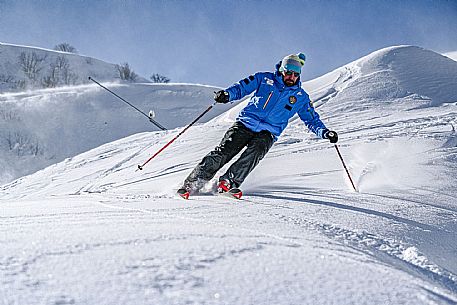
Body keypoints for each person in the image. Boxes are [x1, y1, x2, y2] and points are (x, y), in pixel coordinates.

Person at [177, 53, 338, 199]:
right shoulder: (264, 79)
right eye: (289, 72)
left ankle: (228, 182)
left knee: (255, 153)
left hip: (269, 132)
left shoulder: (300, 97)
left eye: (296, 74)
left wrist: (325, 132)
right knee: (224, 151)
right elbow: (242, 87)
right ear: (282, 70)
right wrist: (227, 94)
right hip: (246, 123)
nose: (292, 77)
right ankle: (193, 183)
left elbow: (311, 120)